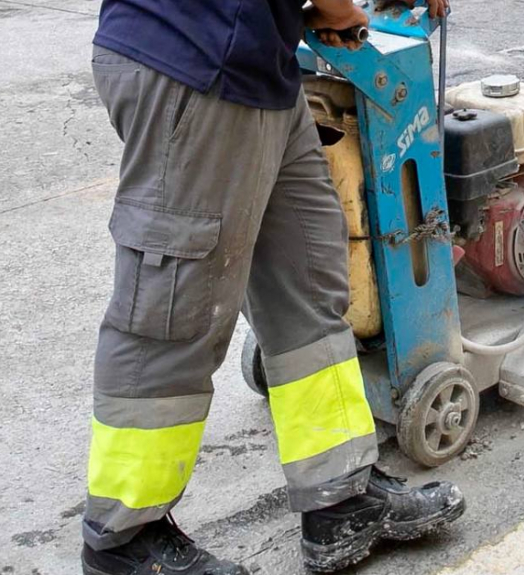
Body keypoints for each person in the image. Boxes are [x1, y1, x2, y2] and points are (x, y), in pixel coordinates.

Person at [81, 0, 460, 573]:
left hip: (258, 69)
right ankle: (124, 538)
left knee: (308, 280)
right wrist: (338, 9)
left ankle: (340, 495)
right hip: (194, 63)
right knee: (176, 307)